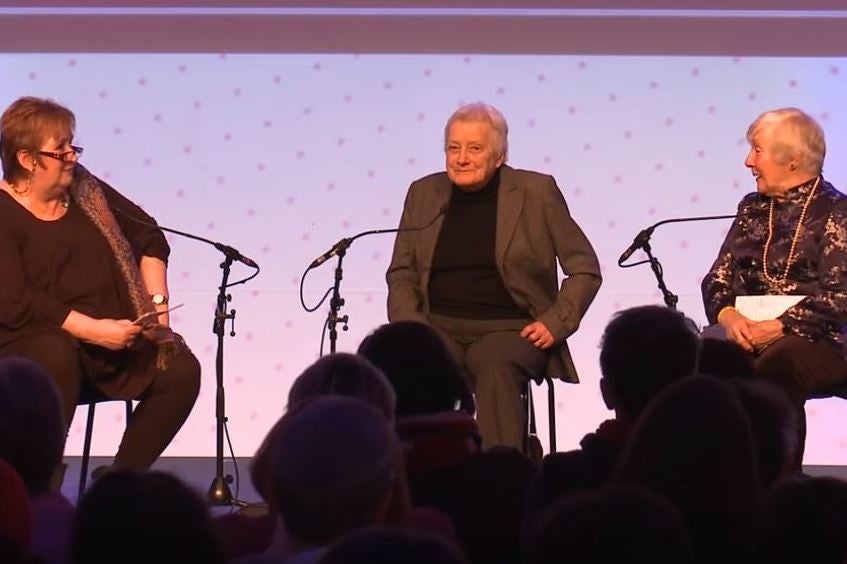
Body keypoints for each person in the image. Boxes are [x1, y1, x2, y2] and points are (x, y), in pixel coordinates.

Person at [0, 96, 200, 474]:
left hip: (112, 343)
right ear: (28, 161)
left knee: (181, 371)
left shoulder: (85, 189)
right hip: (30, 349)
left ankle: (121, 483)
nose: (72, 157)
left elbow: (149, 235)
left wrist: (156, 312)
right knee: (55, 350)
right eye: (60, 151)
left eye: (72, 145)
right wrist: (94, 331)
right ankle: (39, 484)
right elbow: (14, 303)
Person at [386, 102, 601, 449]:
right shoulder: (424, 193)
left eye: (474, 148)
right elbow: (401, 272)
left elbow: (584, 268)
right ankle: (425, 481)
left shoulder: (536, 191)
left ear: (499, 156)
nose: (461, 158)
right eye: (453, 148)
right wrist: (412, 329)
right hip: (439, 324)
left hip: (510, 327)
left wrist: (555, 322)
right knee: (413, 365)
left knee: (496, 368)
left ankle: (501, 481)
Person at [701, 107, 847, 460]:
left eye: (758, 151)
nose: (748, 161)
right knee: (697, 360)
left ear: (793, 160)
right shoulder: (752, 208)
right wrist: (729, 317)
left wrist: (779, 327)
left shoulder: (836, 211)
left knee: (778, 367)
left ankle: (780, 488)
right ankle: (708, 486)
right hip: (749, 332)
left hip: (823, 339)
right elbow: (716, 279)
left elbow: (839, 297)